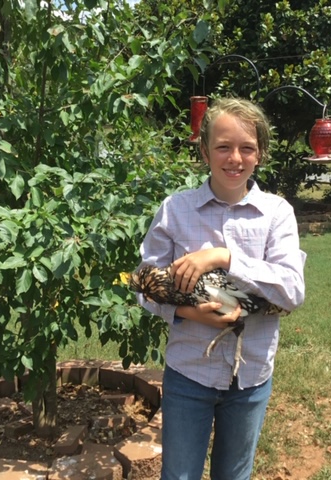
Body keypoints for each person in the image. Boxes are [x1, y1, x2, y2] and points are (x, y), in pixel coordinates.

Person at [135, 97, 306, 480]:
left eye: (247, 148)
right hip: (189, 371)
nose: (235, 158)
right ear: (204, 151)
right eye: (223, 147)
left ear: (260, 153)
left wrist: (224, 257)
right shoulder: (176, 210)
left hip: (250, 376)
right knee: (179, 474)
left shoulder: (277, 214)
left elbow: (292, 291)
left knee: (234, 475)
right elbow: (144, 283)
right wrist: (186, 311)